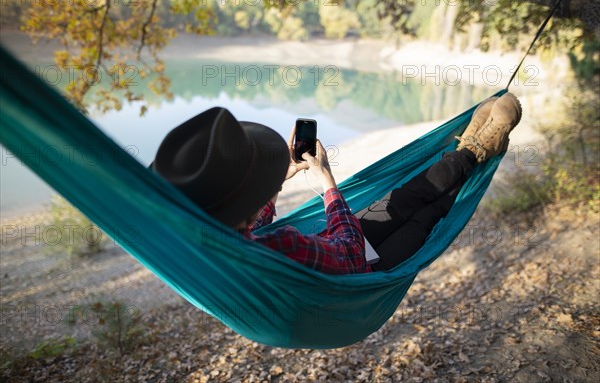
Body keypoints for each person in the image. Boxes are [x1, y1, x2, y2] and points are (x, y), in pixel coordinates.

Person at [152, 92, 522, 274]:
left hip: (338, 247)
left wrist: (282, 177)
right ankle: (478, 147)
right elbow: (348, 252)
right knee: (427, 217)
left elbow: (250, 221)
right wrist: (328, 182)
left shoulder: (212, 243)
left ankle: (473, 149)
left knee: (407, 195)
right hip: (360, 274)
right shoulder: (277, 246)